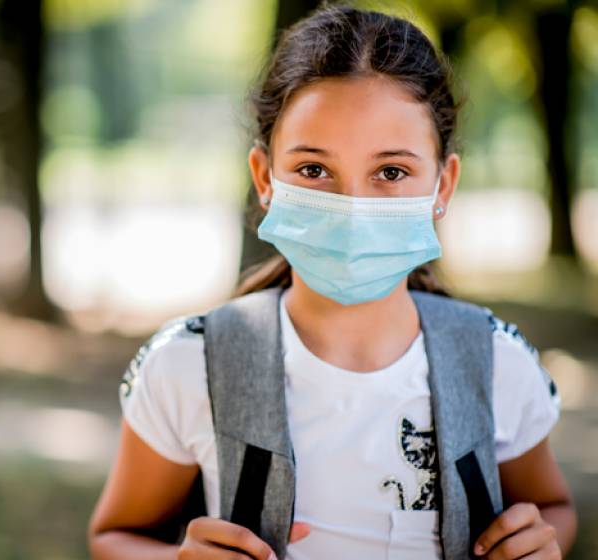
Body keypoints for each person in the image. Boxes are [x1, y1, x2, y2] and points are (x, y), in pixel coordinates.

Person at [87, 3, 577, 559]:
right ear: (264, 178)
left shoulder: (495, 365)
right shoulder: (188, 367)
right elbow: (114, 537)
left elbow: (552, 509)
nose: (351, 207)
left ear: (443, 185)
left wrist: (541, 541)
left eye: (391, 172)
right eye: (314, 170)